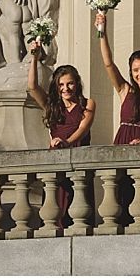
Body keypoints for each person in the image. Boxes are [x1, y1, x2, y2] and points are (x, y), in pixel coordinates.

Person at [26, 41, 95, 228]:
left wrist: (66, 142)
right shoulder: (52, 106)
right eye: (61, 85)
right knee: (54, 209)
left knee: (79, 210)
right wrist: (34, 57)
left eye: (70, 83)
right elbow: (32, 86)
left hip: (78, 157)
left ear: (77, 83)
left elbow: (82, 130)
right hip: (56, 159)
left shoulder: (88, 104)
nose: (66, 88)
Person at [96, 12, 140, 145]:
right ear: (131, 72)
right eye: (135, 70)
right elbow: (108, 63)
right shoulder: (125, 90)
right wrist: (102, 33)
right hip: (122, 145)